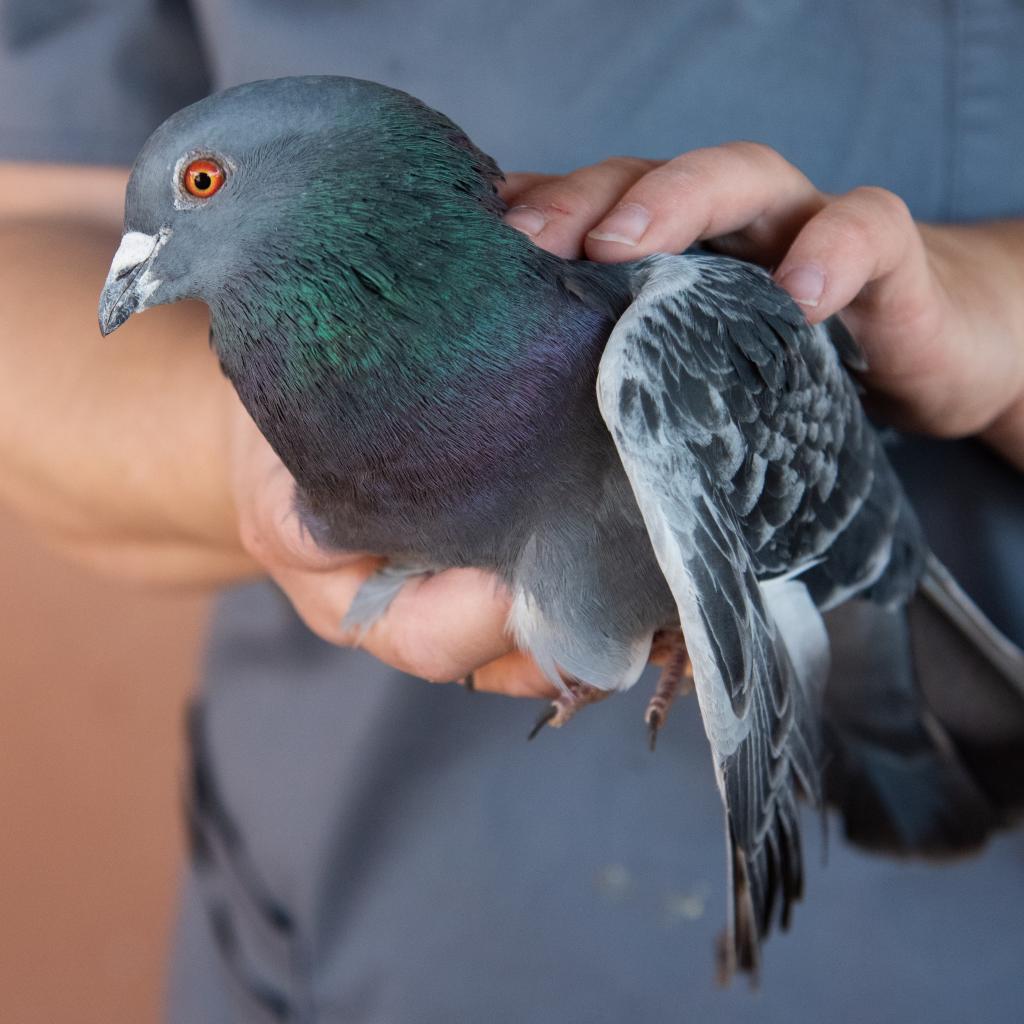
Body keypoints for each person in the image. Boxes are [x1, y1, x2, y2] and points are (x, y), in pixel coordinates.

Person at [2, 2, 1023, 1021]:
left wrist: (1004, 304)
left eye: (200, 186)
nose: (136, 260)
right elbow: (28, 219)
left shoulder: (664, 357)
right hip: (370, 897)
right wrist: (254, 444)